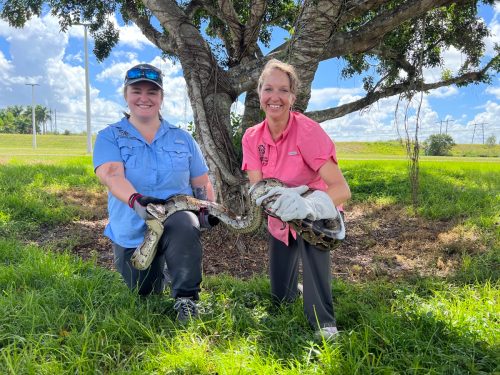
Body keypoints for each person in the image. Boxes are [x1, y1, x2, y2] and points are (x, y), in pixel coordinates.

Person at [93, 63, 217, 321]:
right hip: (133, 229)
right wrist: (136, 200)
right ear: (126, 95)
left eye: (152, 92)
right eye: (137, 90)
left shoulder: (182, 138)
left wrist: (206, 209)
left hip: (175, 219)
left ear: (161, 98)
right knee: (144, 292)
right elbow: (111, 174)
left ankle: (186, 299)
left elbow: (201, 182)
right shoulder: (110, 136)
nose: (144, 98)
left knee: (185, 222)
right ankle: (162, 272)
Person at [241, 59, 351, 340]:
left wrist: (308, 205)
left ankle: (324, 323)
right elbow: (258, 189)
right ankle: (294, 290)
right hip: (280, 215)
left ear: (292, 96)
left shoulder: (308, 132)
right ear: (259, 93)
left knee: (314, 245)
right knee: (280, 298)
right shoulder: (252, 137)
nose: (274, 97)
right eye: (268, 89)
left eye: (283, 90)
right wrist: (273, 202)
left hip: (317, 212)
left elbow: (341, 189)